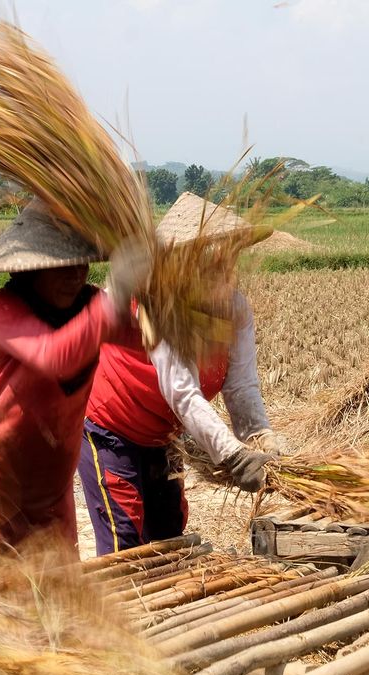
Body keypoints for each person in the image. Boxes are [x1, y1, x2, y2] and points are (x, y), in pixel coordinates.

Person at [79, 193, 285, 555]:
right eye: (210, 260)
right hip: (113, 430)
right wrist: (233, 456)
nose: (223, 268)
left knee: (169, 532)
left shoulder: (235, 309)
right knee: (124, 541)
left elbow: (241, 386)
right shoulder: (158, 304)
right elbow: (183, 392)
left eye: (228, 258)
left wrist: (260, 438)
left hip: (164, 436)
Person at [0, 199, 139, 571]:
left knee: (56, 615)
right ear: (29, 267)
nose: (75, 274)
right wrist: (111, 310)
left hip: (49, 497)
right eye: (61, 264)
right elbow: (55, 355)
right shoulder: (2, 308)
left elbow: (148, 341)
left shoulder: (92, 304)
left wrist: (176, 303)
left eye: (80, 261)